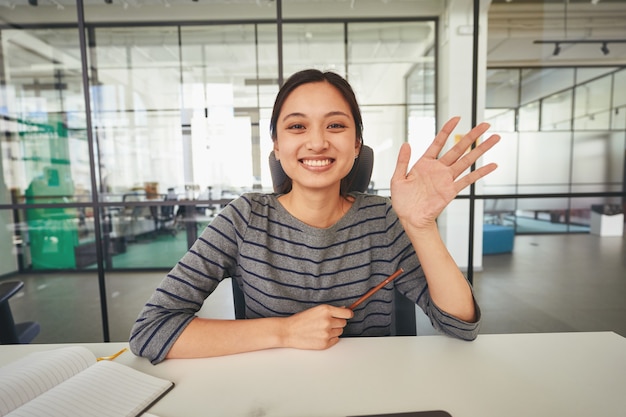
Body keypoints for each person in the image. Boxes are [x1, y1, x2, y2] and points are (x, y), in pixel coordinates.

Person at [129, 69, 500, 364]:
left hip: (370, 393)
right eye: (296, 126)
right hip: (273, 396)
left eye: (336, 125)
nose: (318, 142)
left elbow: (459, 326)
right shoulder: (243, 219)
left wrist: (421, 226)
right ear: (276, 144)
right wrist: (284, 332)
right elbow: (152, 330)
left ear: (357, 145)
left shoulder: (385, 220)